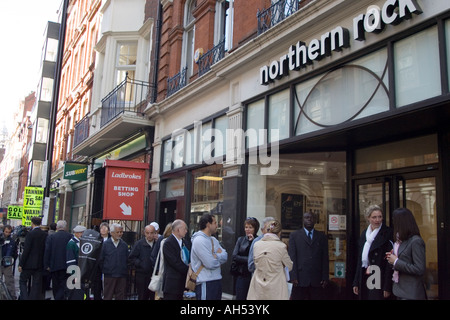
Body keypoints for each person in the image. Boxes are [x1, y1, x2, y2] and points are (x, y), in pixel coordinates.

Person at [353, 205, 393, 300]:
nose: (377, 220)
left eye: (380, 217)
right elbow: (360, 259)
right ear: (368, 218)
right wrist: (356, 281)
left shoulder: (387, 233)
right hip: (364, 273)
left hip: (378, 274)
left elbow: (389, 263)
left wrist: (387, 286)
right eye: (374, 217)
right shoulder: (364, 234)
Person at [386, 207, 426, 300]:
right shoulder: (399, 241)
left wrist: (396, 261)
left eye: (394, 221)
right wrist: (391, 259)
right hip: (399, 290)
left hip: (411, 293)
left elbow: (419, 268)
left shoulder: (416, 241)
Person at [247, 220, 293, 300]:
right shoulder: (281, 246)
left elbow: (255, 263)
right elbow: (289, 266)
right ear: (279, 233)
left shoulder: (257, 244)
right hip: (276, 287)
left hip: (258, 285)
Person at [288, 211, 329, 300]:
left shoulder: (322, 236)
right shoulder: (294, 236)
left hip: (316, 279)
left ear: (315, 220)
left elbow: (325, 258)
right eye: (307, 217)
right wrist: (293, 276)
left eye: (311, 217)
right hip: (300, 278)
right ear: (303, 220)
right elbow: (292, 257)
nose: (309, 219)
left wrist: (325, 276)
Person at [191, 213, 228, 300]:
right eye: (215, 223)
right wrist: (217, 257)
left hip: (216, 280)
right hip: (205, 282)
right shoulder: (199, 240)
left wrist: (215, 256)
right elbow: (210, 263)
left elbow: (225, 256)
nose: (217, 225)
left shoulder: (213, 240)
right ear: (208, 224)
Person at [18, 217, 48, 300]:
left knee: (23, 281)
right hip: (39, 263)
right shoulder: (44, 234)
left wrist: (21, 264)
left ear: (32, 223)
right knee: (36, 284)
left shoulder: (30, 234)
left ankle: (25, 297)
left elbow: (26, 250)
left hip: (28, 263)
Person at [231, 217, 259, 300]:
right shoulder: (241, 240)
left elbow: (257, 256)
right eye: (246, 227)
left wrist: (251, 242)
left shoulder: (258, 240)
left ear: (255, 228)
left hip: (254, 275)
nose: (248, 229)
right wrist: (249, 260)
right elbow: (235, 256)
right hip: (242, 274)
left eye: (250, 227)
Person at [129, 223, 159, 300]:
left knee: (153, 296)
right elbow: (131, 258)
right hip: (142, 276)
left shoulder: (157, 244)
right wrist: (141, 264)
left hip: (154, 275)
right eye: (147, 233)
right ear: (144, 233)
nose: (149, 235)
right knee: (142, 296)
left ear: (155, 233)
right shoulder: (139, 244)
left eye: (151, 233)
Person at [44, 220, 72, 300]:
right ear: (65, 227)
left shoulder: (52, 237)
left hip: (54, 265)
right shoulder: (70, 236)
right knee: (63, 284)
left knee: (55, 284)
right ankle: (59, 297)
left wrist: (46, 265)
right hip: (66, 265)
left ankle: (57, 297)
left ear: (57, 227)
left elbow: (47, 251)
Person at [162, 219, 190, 300]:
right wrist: (188, 269)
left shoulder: (184, 242)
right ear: (178, 230)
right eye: (184, 229)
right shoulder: (168, 243)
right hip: (172, 284)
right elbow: (174, 262)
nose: (186, 231)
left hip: (182, 284)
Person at [100, 223, 129, 300]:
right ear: (112, 233)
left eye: (121, 232)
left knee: (120, 295)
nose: (120, 234)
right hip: (109, 274)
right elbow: (101, 259)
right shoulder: (105, 244)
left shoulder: (124, 245)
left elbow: (127, 259)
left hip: (121, 274)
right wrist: (106, 269)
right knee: (108, 295)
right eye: (118, 232)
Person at [1, 225, 18, 299]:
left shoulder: (12, 241)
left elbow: (14, 252)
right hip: (3, 261)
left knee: (9, 281)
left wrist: (12, 260)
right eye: (6, 232)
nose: (7, 234)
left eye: (9, 232)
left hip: (7, 263)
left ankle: (11, 296)